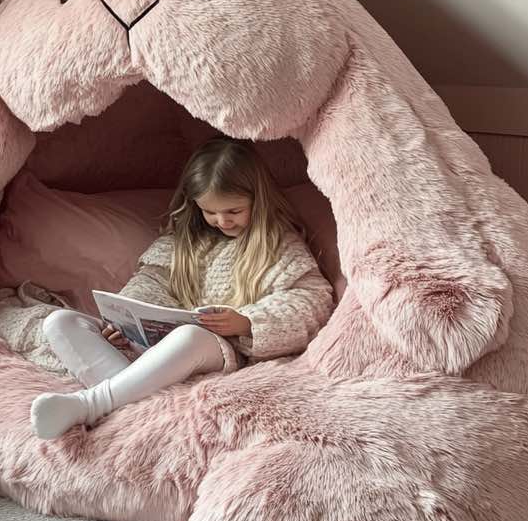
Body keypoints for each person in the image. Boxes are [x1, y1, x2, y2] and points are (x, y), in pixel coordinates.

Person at [29, 137, 334, 439]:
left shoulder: (277, 244)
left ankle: (90, 403)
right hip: (150, 349)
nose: (221, 221)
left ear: (259, 200)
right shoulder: (182, 242)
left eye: (233, 211)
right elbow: (150, 282)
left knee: (189, 336)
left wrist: (246, 321)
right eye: (210, 212)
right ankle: (134, 411)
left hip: (215, 350)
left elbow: (312, 300)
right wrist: (122, 320)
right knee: (61, 321)